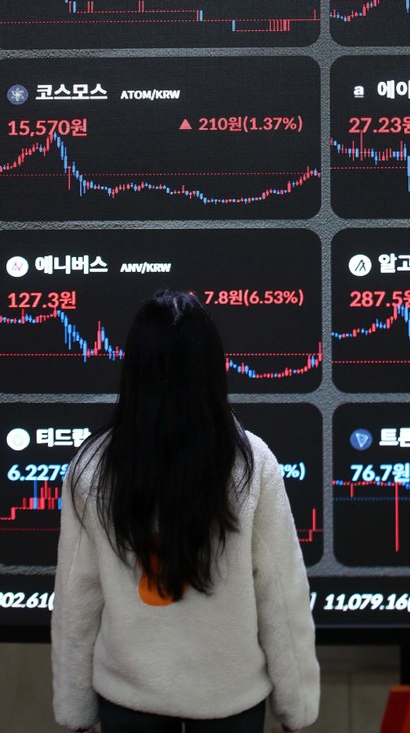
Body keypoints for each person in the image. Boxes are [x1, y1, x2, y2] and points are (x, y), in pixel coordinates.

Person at [52, 289, 320, 733]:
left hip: (127, 698)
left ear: (134, 367)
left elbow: (77, 595)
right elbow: (280, 591)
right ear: (212, 367)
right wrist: (297, 706)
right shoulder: (251, 463)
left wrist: (74, 708)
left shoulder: (92, 465)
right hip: (229, 699)